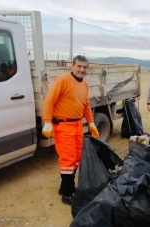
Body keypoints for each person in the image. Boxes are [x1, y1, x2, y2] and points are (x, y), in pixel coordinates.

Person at [42, 55, 100, 205]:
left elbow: (86, 105)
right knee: (68, 160)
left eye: (84, 67)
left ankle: (65, 187)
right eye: (79, 66)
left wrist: (91, 124)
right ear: (72, 66)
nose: (82, 69)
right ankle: (67, 193)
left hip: (77, 125)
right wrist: (47, 122)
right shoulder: (62, 80)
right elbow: (49, 101)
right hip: (63, 125)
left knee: (75, 159)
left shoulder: (84, 85)